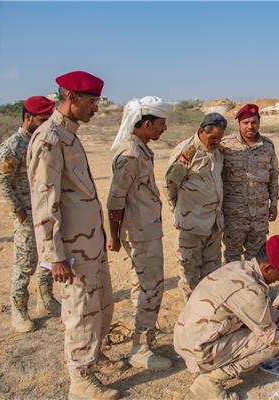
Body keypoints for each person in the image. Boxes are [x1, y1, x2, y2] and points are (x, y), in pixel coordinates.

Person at [27, 71, 120, 399]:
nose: (96, 108)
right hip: (71, 251)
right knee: (81, 312)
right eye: (91, 101)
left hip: (89, 244)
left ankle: (93, 357)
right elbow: (44, 202)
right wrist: (54, 257)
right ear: (71, 97)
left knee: (100, 305)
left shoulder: (69, 134)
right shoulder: (49, 139)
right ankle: (81, 380)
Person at [174, 235, 279, 400]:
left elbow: (269, 312)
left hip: (188, 338)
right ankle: (209, 380)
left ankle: (225, 362)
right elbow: (272, 338)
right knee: (271, 343)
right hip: (199, 349)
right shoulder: (251, 291)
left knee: (270, 331)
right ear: (267, 268)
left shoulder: (240, 268)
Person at [106, 96, 172, 371]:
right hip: (140, 232)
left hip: (144, 228)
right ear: (146, 124)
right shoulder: (131, 154)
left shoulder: (140, 149)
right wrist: (113, 236)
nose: (164, 129)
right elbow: (115, 200)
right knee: (151, 287)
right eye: (161, 124)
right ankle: (141, 348)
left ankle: (141, 334)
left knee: (141, 285)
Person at [0, 96, 59, 333]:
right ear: (28, 117)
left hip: (45, 210)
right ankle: (19, 309)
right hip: (26, 213)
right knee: (25, 262)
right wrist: (18, 210)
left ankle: (46, 298)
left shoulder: (43, 140)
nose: (45, 124)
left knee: (48, 256)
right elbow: (1, 180)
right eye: (41, 120)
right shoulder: (14, 145)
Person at [164, 113, 227, 300]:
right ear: (201, 131)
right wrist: (179, 211)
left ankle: (208, 306)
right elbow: (170, 185)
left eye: (219, 138)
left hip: (213, 223)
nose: (216, 142)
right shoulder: (188, 152)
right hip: (191, 223)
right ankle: (192, 310)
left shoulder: (217, 150)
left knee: (212, 270)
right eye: (213, 137)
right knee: (189, 271)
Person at [222, 104, 279, 262]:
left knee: (258, 256)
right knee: (232, 256)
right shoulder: (226, 145)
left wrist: (274, 203)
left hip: (259, 213)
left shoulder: (267, 146)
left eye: (254, 122)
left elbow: (273, 176)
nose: (250, 126)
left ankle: (253, 279)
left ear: (259, 123)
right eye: (245, 122)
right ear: (239, 124)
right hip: (234, 214)